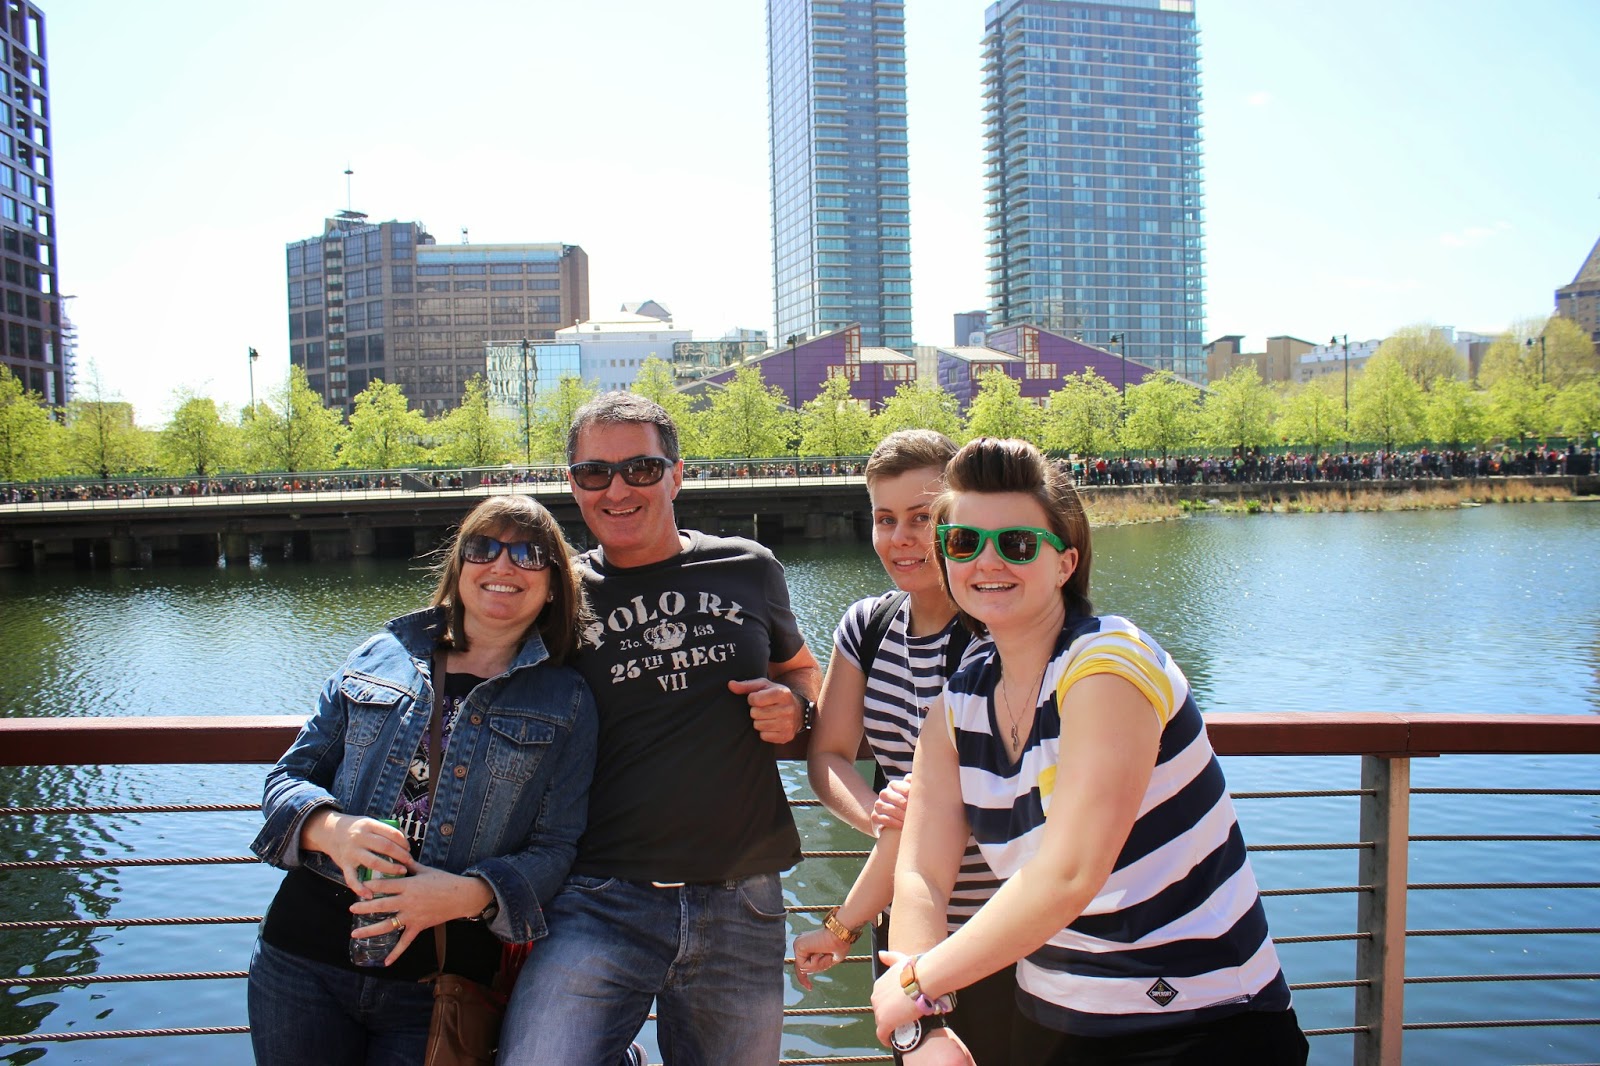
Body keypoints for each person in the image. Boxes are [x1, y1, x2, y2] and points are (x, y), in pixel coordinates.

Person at [871, 438, 1307, 1065]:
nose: (987, 560)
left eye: (1018, 544)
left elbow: (1070, 874)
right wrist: (924, 1028)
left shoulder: (1108, 666)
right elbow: (921, 876)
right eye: (963, 543)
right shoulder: (957, 706)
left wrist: (915, 985)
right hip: (1052, 1020)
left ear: (1065, 562)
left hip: (1199, 1023)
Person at [499, 392, 821, 1066]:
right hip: (597, 897)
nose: (617, 489)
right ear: (574, 485)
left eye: (641, 469)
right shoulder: (557, 594)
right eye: (595, 473)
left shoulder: (749, 568)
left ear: (677, 475)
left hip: (742, 899)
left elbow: (801, 670)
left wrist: (799, 711)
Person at [247, 495, 600, 1065]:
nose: (502, 566)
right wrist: (330, 828)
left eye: (528, 554)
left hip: (440, 985)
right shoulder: (382, 654)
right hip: (301, 963)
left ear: (555, 583)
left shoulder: (567, 701)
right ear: (458, 566)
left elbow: (557, 848)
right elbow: (289, 777)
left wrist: (468, 894)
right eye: (483, 548)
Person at [793, 429, 1021, 1064]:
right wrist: (875, 814)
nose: (901, 539)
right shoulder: (868, 626)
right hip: (906, 912)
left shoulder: (997, 633)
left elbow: (935, 803)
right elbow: (828, 753)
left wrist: (840, 925)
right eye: (885, 518)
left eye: (922, 518)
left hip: (1003, 922)